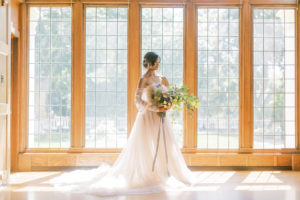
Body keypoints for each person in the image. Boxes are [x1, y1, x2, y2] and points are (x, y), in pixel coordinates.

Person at [50, 52, 195, 196]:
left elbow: (168, 95)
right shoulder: (143, 79)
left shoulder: (162, 78)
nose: (158, 64)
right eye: (156, 62)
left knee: (165, 143)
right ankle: (149, 173)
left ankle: (166, 171)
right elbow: (137, 100)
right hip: (148, 116)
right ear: (149, 63)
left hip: (161, 116)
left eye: (159, 62)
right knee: (145, 145)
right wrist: (155, 107)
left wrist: (167, 106)